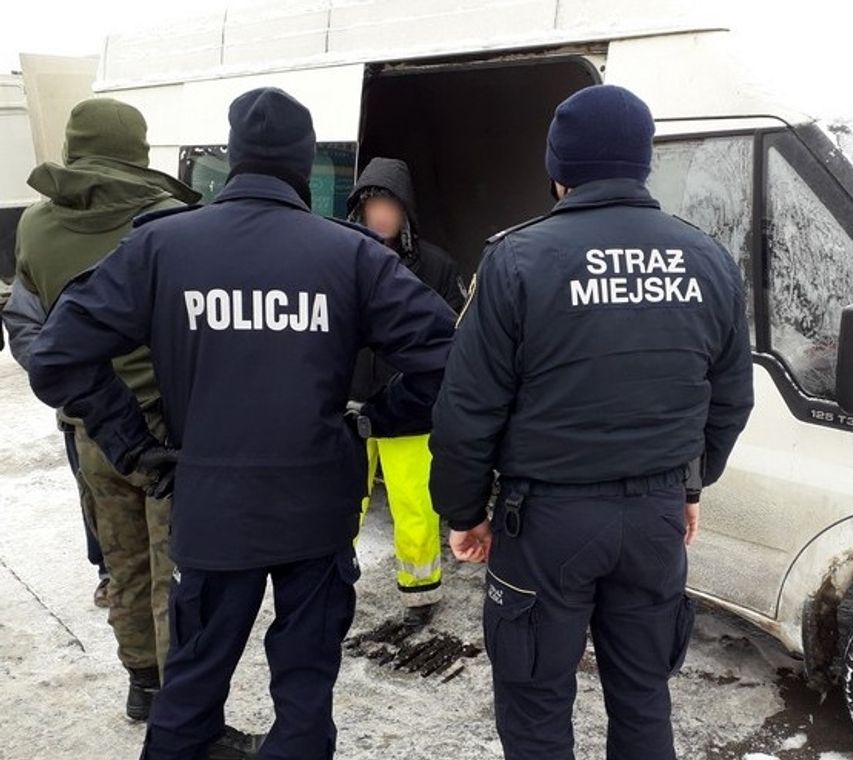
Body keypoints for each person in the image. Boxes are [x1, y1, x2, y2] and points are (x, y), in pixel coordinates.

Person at [27, 87, 455, 760]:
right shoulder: (348, 255)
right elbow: (448, 364)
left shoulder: (162, 247)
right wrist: (371, 421)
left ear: (234, 159)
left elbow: (56, 356)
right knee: (306, 690)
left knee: (190, 690)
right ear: (303, 161)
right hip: (314, 509)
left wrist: (133, 445)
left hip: (211, 509)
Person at [429, 84, 755, 760]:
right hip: (654, 519)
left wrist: (462, 511)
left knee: (535, 699)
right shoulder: (707, 259)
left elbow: (468, 407)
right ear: (642, 164)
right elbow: (729, 398)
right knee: (642, 693)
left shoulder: (519, 258)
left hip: (546, 521)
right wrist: (687, 486)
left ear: (558, 168)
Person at [13, 98, 200, 720]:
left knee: (122, 561)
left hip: (89, 427)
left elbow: (28, 324)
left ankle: (142, 685)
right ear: (138, 149)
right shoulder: (169, 221)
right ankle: (183, 704)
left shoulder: (34, 226)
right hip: (168, 426)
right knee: (177, 570)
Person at [346, 157, 465, 628]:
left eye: (390, 205)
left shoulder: (436, 264)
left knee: (415, 504)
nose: (380, 214)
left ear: (406, 211)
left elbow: (454, 332)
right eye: (372, 203)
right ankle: (333, 580)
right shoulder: (340, 253)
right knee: (343, 502)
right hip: (348, 405)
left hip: (410, 409)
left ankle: (420, 593)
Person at [2, 278, 111, 607]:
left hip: (158, 404)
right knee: (94, 493)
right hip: (83, 411)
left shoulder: (154, 232)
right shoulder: (40, 231)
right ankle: (108, 569)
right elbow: (24, 320)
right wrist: (56, 375)